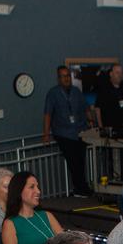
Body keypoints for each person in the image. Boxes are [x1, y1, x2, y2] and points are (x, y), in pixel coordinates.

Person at [43, 65, 92, 196]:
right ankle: (79, 188)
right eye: (63, 76)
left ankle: (83, 187)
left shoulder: (76, 91)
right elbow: (47, 114)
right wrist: (46, 134)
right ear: (58, 78)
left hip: (80, 131)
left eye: (68, 76)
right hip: (63, 133)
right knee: (73, 161)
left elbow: (86, 108)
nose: (66, 79)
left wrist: (91, 123)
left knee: (81, 160)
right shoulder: (53, 94)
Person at [0, 171, 63, 244]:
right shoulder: (10, 224)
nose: (38, 191)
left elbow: (65, 243)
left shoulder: (46, 215)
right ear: (19, 191)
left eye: (37, 187)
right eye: (32, 187)